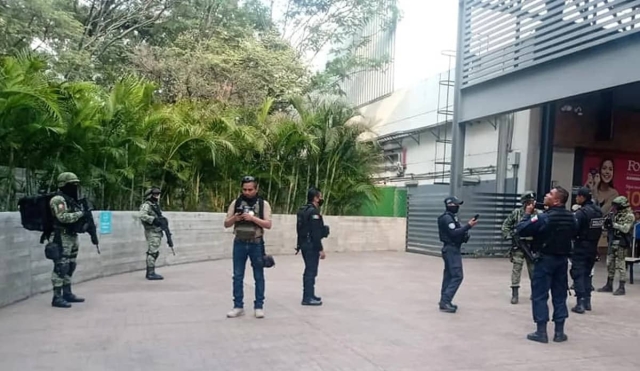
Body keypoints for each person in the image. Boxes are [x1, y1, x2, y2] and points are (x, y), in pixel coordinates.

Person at [515, 186, 577, 343]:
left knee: (540, 295)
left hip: (545, 260)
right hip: (562, 261)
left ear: (556, 200)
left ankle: (541, 332)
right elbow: (576, 232)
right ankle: (559, 332)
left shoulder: (543, 217)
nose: (546, 195)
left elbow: (522, 229)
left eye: (550, 193)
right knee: (560, 295)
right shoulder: (571, 217)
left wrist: (527, 214)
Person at [224, 176, 272, 319]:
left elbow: (268, 224)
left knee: (258, 276)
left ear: (256, 189)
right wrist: (236, 218)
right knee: (237, 276)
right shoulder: (236, 203)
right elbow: (226, 223)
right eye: (244, 189)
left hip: (256, 243)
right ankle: (238, 306)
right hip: (239, 242)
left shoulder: (263, 204)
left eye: (250, 189)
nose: (247, 192)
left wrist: (253, 219)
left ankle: (259, 306)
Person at [49, 172, 87, 308]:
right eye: (72, 184)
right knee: (61, 266)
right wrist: (80, 214)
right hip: (61, 236)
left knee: (70, 265)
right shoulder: (58, 200)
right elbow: (62, 217)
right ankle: (57, 297)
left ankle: (67, 292)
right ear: (64, 185)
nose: (75, 187)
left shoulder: (71, 199)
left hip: (71, 236)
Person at [437, 196, 478, 313]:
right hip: (451, 250)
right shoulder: (446, 218)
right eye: (456, 204)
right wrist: (468, 226)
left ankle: (444, 301)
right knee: (457, 275)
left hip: (452, 249)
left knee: (449, 275)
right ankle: (445, 301)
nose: (458, 207)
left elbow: (458, 232)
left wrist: (465, 233)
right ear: (450, 205)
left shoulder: (452, 218)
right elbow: (454, 233)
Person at [501, 191, 539, 304]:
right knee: (516, 269)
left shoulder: (538, 213)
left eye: (532, 201)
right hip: (519, 245)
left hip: (532, 246)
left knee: (534, 270)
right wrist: (508, 235)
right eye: (528, 202)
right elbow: (506, 225)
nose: (531, 203)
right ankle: (515, 293)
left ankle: (535, 292)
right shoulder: (517, 213)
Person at [570, 187, 603, 313]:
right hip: (593, 246)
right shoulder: (598, 212)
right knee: (588, 274)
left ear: (582, 197)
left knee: (578, 273)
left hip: (581, 247)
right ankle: (587, 301)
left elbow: (574, 230)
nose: (576, 198)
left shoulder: (581, 213)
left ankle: (580, 304)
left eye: (577, 196)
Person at [296, 187, 329, 306]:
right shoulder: (313, 212)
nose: (321, 199)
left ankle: (310, 294)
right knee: (311, 271)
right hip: (311, 245)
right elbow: (315, 232)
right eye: (320, 197)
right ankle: (307, 297)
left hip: (304, 244)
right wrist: (320, 249)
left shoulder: (302, 210)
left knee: (309, 270)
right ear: (315, 198)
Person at [596, 195, 635, 296]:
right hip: (612, 241)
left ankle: (621, 287)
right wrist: (607, 224)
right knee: (610, 264)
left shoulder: (629, 215)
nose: (615, 207)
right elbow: (609, 227)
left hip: (621, 243)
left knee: (620, 265)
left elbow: (626, 229)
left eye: (617, 205)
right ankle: (609, 284)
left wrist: (614, 224)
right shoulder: (615, 214)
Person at [138, 186, 166, 280]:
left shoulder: (155, 205)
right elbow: (142, 215)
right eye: (155, 194)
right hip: (151, 231)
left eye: (158, 194)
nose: (157, 196)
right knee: (152, 252)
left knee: (155, 252)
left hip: (156, 231)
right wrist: (153, 220)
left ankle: (151, 272)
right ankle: (150, 273)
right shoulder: (147, 205)